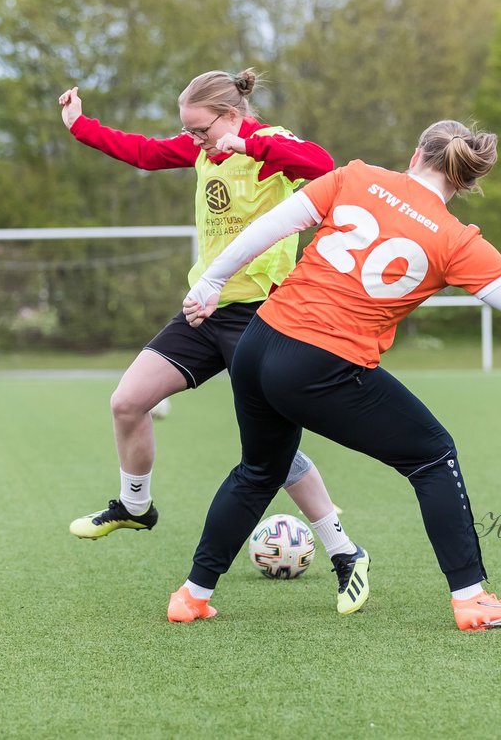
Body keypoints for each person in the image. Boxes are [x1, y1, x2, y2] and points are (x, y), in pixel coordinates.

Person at [165, 119, 501, 630]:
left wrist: (211, 280)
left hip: (259, 342)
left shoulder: (356, 176)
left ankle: (191, 596)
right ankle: (472, 598)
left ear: (416, 155)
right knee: (434, 456)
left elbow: (268, 227)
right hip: (317, 363)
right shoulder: (457, 240)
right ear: (464, 181)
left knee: (258, 470)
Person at [58, 69, 370, 614]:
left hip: (267, 316)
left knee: (271, 451)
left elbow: (324, 168)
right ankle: (136, 506)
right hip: (206, 311)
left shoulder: (271, 147)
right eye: (190, 131)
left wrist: (248, 141)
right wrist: (80, 125)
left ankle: (345, 551)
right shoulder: (202, 150)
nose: (194, 140)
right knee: (128, 402)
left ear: (231, 115)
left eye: (201, 129)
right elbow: (144, 153)